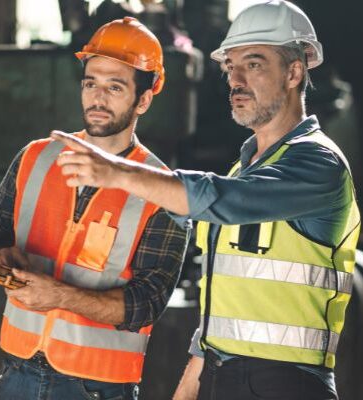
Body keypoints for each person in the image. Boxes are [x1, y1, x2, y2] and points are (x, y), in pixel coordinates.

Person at [52, 1, 361, 399]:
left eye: (253, 64)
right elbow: (226, 300)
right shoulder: (243, 169)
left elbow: (219, 198)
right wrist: (191, 381)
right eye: (229, 66)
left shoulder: (318, 164)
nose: (235, 80)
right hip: (223, 376)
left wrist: (116, 171)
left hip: (288, 383)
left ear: (294, 72)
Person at [0, 17, 189, 400]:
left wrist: (58, 296)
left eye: (114, 86)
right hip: (16, 370)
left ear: (144, 98)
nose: (97, 98)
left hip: (96, 387)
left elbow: (146, 304)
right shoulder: (35, 157)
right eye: (90, 83)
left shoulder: (163, 190)